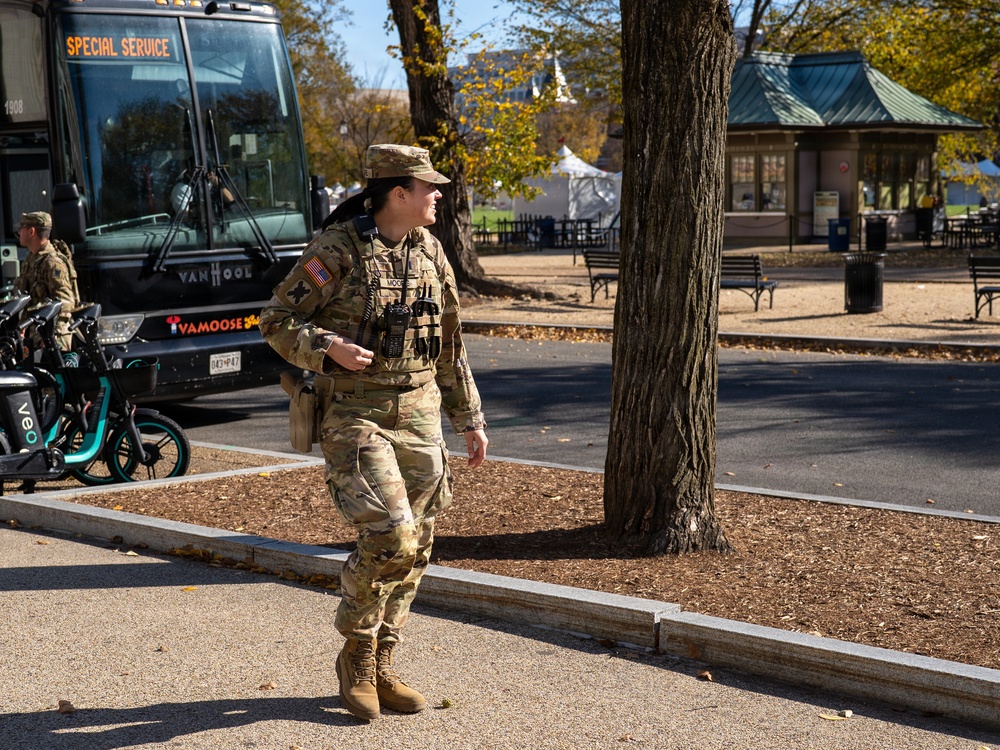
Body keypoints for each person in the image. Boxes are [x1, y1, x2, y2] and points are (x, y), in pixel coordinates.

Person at [259, 144, 488, 721]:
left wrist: (470, 420)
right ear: (397, 193)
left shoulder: (433, 252)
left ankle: (384, 660)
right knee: (392, 535)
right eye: (427, 187)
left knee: (420, 546)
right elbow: (276, 322)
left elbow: (450, 344)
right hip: (354, 415)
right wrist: (327, 347)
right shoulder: (337, 251)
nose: (438, 196)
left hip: (420, 412)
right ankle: (355, 653)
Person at [14, 211, 81, 350]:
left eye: (22, 228)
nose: (19, 232)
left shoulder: (53, 262)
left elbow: (66, 301)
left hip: (53, 339)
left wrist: (54, 335)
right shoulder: (31, 260)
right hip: (36, 335)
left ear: (31, 231)